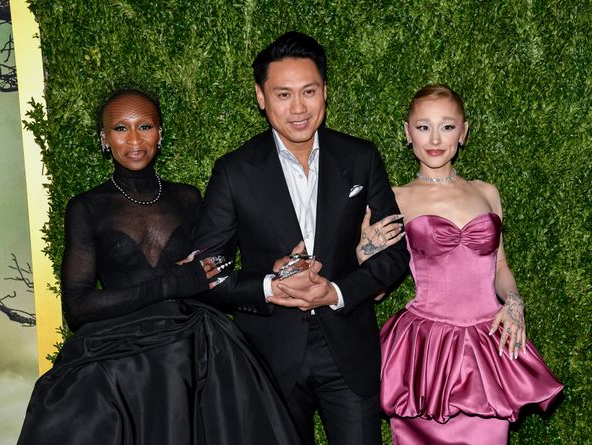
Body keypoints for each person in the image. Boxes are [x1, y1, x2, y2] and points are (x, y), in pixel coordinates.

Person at [17, 89, 303, 445]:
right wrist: (167, 285)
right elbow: (76, 306)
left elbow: (213, 272)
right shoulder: (87, 207)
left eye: (145, 126)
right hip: (120, 357)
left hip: (194, 346)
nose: (134, 140)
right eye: (121, 128)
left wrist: (269, 275)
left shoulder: (188, 198)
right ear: (104, 139)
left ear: (160, 133)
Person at [192, 32, 410, 444]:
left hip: (348, 349)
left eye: (309, 92)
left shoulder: (360, 158)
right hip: (269, 356)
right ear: (261, 97)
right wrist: (268, 287)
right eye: (283, 94)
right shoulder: (234, 171)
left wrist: (337, 291)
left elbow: (396, 255)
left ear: (325, 92)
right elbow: (206, 272)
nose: (298, 108)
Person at [357, 84, 563, 444]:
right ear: (407, 132)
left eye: (447, 126)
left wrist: (514, 302)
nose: (435, 138)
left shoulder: (487, 192)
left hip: (486, 348)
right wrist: (364, 252)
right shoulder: (396, 198)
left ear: (464, 131)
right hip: (425, 354)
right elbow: (376, 292)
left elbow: (500, 267)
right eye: (423, 127)